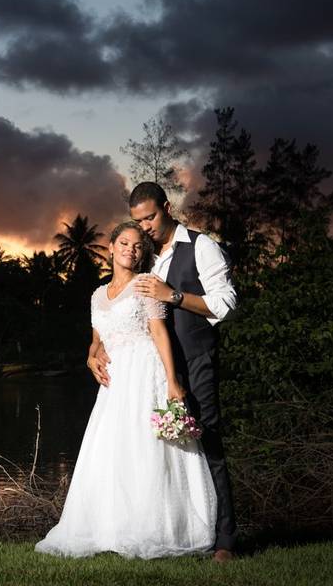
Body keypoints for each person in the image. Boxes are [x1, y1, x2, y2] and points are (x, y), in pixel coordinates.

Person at [35, 221, 217, 560]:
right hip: (116, 383)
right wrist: (91, 358)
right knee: (113, 451)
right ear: (112, 247)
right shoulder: (96, 295)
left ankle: (156, 528)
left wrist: (173, 382)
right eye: (124, 243)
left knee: (147, 449)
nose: (130, 249)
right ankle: (111, 526)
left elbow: (160, 333)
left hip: (146, 374)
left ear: (142, 252)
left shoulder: (146, 285)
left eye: (137, 245)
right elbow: (96, 341)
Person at [90, 181, 239, 562]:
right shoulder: (144, 255)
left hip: (193, 359)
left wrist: (172, 295)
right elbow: (121, 312)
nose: (146, 227)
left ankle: (224, 541)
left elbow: (225, 304)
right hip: (150, 369)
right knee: (161, 450)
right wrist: (95, 348)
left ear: (167, 207)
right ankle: (170, 527)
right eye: (139, 221)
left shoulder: (201, 246)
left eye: (151, 217)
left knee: (207, 441)